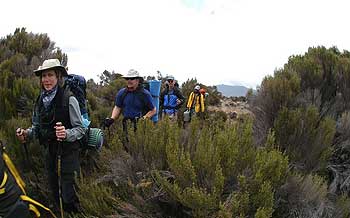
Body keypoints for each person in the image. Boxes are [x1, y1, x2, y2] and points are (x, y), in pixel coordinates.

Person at [16, 59, 85, 214]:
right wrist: (26, 133)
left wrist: (66, 133)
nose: (46, 80)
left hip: (68, 153)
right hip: (51, 153)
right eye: (43, 76)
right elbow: (37, 127)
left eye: (50, 75)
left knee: (69, 196)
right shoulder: (40, 100)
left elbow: (80, 129)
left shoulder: (69, 99)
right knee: (55, 193)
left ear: (58, 76)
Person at [104, 69, 156, 137]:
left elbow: (153, 110)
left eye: (132, 78)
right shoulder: (122, 93)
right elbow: (118, 107)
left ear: (137, 80)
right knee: (126, 143)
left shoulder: (145, 94)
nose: (129, 80)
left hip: (140, 124)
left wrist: (143, 119)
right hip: (126, 123)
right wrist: (112, 119)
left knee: (138, 144)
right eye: (127, 78)